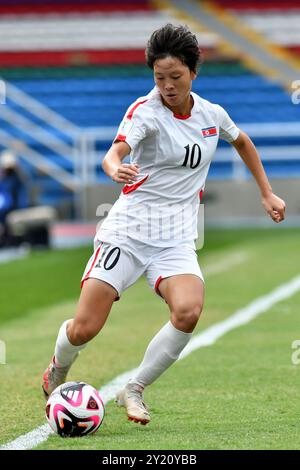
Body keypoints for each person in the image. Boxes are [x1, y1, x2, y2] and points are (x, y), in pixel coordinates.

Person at [42, 24, 286, 425]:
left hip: (174, 238)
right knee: (85, 328)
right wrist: (116, 169)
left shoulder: (212, 115)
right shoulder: (146, 111)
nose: (167, 86)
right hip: (128, 231)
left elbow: (242, 141)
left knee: (189, 311)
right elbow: (114, 153)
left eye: (175, 76)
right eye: (159, 77)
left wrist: (266, 192)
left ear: (193, 73)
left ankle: (134, 388)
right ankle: (58, 368)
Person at [0, 150, 28, 246]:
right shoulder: (4, 180)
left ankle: (9, 238)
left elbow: (19, 198)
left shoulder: (17, 179)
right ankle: (5, 237)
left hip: (14, 207)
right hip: (6, 206)